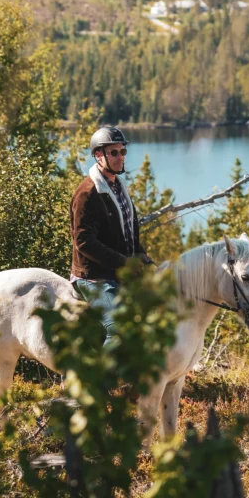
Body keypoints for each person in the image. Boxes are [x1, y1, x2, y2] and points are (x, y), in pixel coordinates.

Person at [70, 125, 154, 339]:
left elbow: (127, 235)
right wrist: (124, 262)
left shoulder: (119, 188)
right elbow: (84, 242)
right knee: (118, 329)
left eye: (122, 151)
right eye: (114, 152)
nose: (120, 157)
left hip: (117, 272)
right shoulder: (87, 194)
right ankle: (103, 373)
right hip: (93, 277)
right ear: (99, 155)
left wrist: (142, 257)